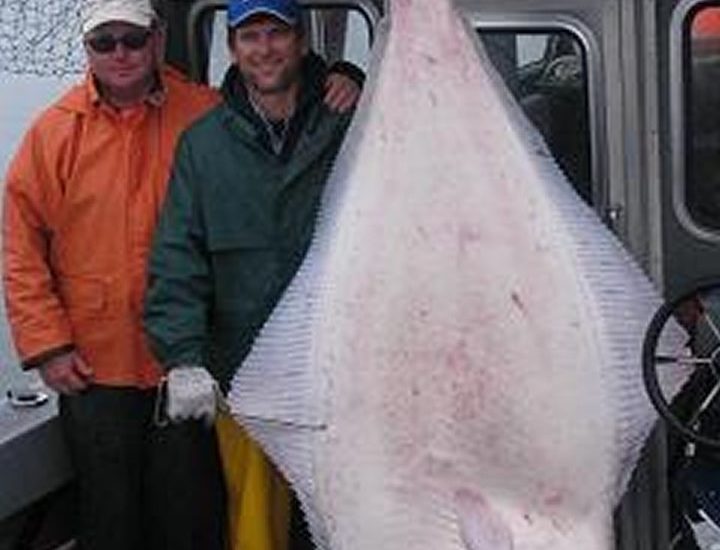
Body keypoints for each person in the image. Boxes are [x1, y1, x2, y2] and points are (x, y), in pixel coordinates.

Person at [1, 0, 361, 548]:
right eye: (105, 42)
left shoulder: (204, 112)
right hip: (98, 368)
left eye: (133, 39)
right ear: (87, 49)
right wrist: (47, 344)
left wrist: (351, 78)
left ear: (159, 38)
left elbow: (279, 104)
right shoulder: (54, 133)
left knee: (193, 518)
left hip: (203, 370)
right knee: (109, 518)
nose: (120, 53)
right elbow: (19, 245)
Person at [142, 0, 359, 547]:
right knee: (258, 531)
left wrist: (361, 79)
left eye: (276, 33)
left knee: (350, 521)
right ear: (233, 49)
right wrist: (183, 357)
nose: (264, 50)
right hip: (245, 376)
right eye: (249, 37)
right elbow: (177, 258)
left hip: (342, 375)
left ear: (301, 41)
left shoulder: (351, 125)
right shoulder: (203, 144)